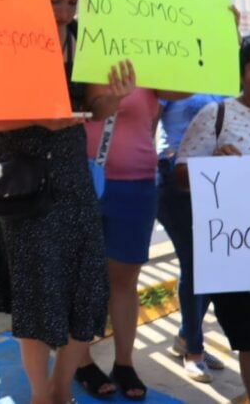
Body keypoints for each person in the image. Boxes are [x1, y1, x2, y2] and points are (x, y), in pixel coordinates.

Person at [0, 0, 126, 404]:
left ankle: (62, 390)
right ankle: (39, 394)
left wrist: (114, 99)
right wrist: (40, 120)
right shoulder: (4, 38)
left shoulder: (83, 40)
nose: (64, 13)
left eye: (72, 3)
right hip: (24, 187)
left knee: (87, 288)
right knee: (37, 297)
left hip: (72, 180)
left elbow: (92, 111)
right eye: (54, 1)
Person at [76, 84, 190, 400]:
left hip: (137, 184)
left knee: (125, 281)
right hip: (81, 180)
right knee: (80, 277)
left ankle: (124, 363)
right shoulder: (77, 54)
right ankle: (81, 361)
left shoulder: (152, 63)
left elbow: (188, 85)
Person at [175, 35, 250, 404]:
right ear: (242, 73)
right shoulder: (216, 117)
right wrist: (211, 164)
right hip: (240, 255)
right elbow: (180, 178)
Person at [155, 93, 228, 382]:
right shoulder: (173, 73)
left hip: (215, 178)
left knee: (213, 264)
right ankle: (194, 351)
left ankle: (187, 336)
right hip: (174, 177)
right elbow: (149, 123)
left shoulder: (224, 77)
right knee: (196, 263)